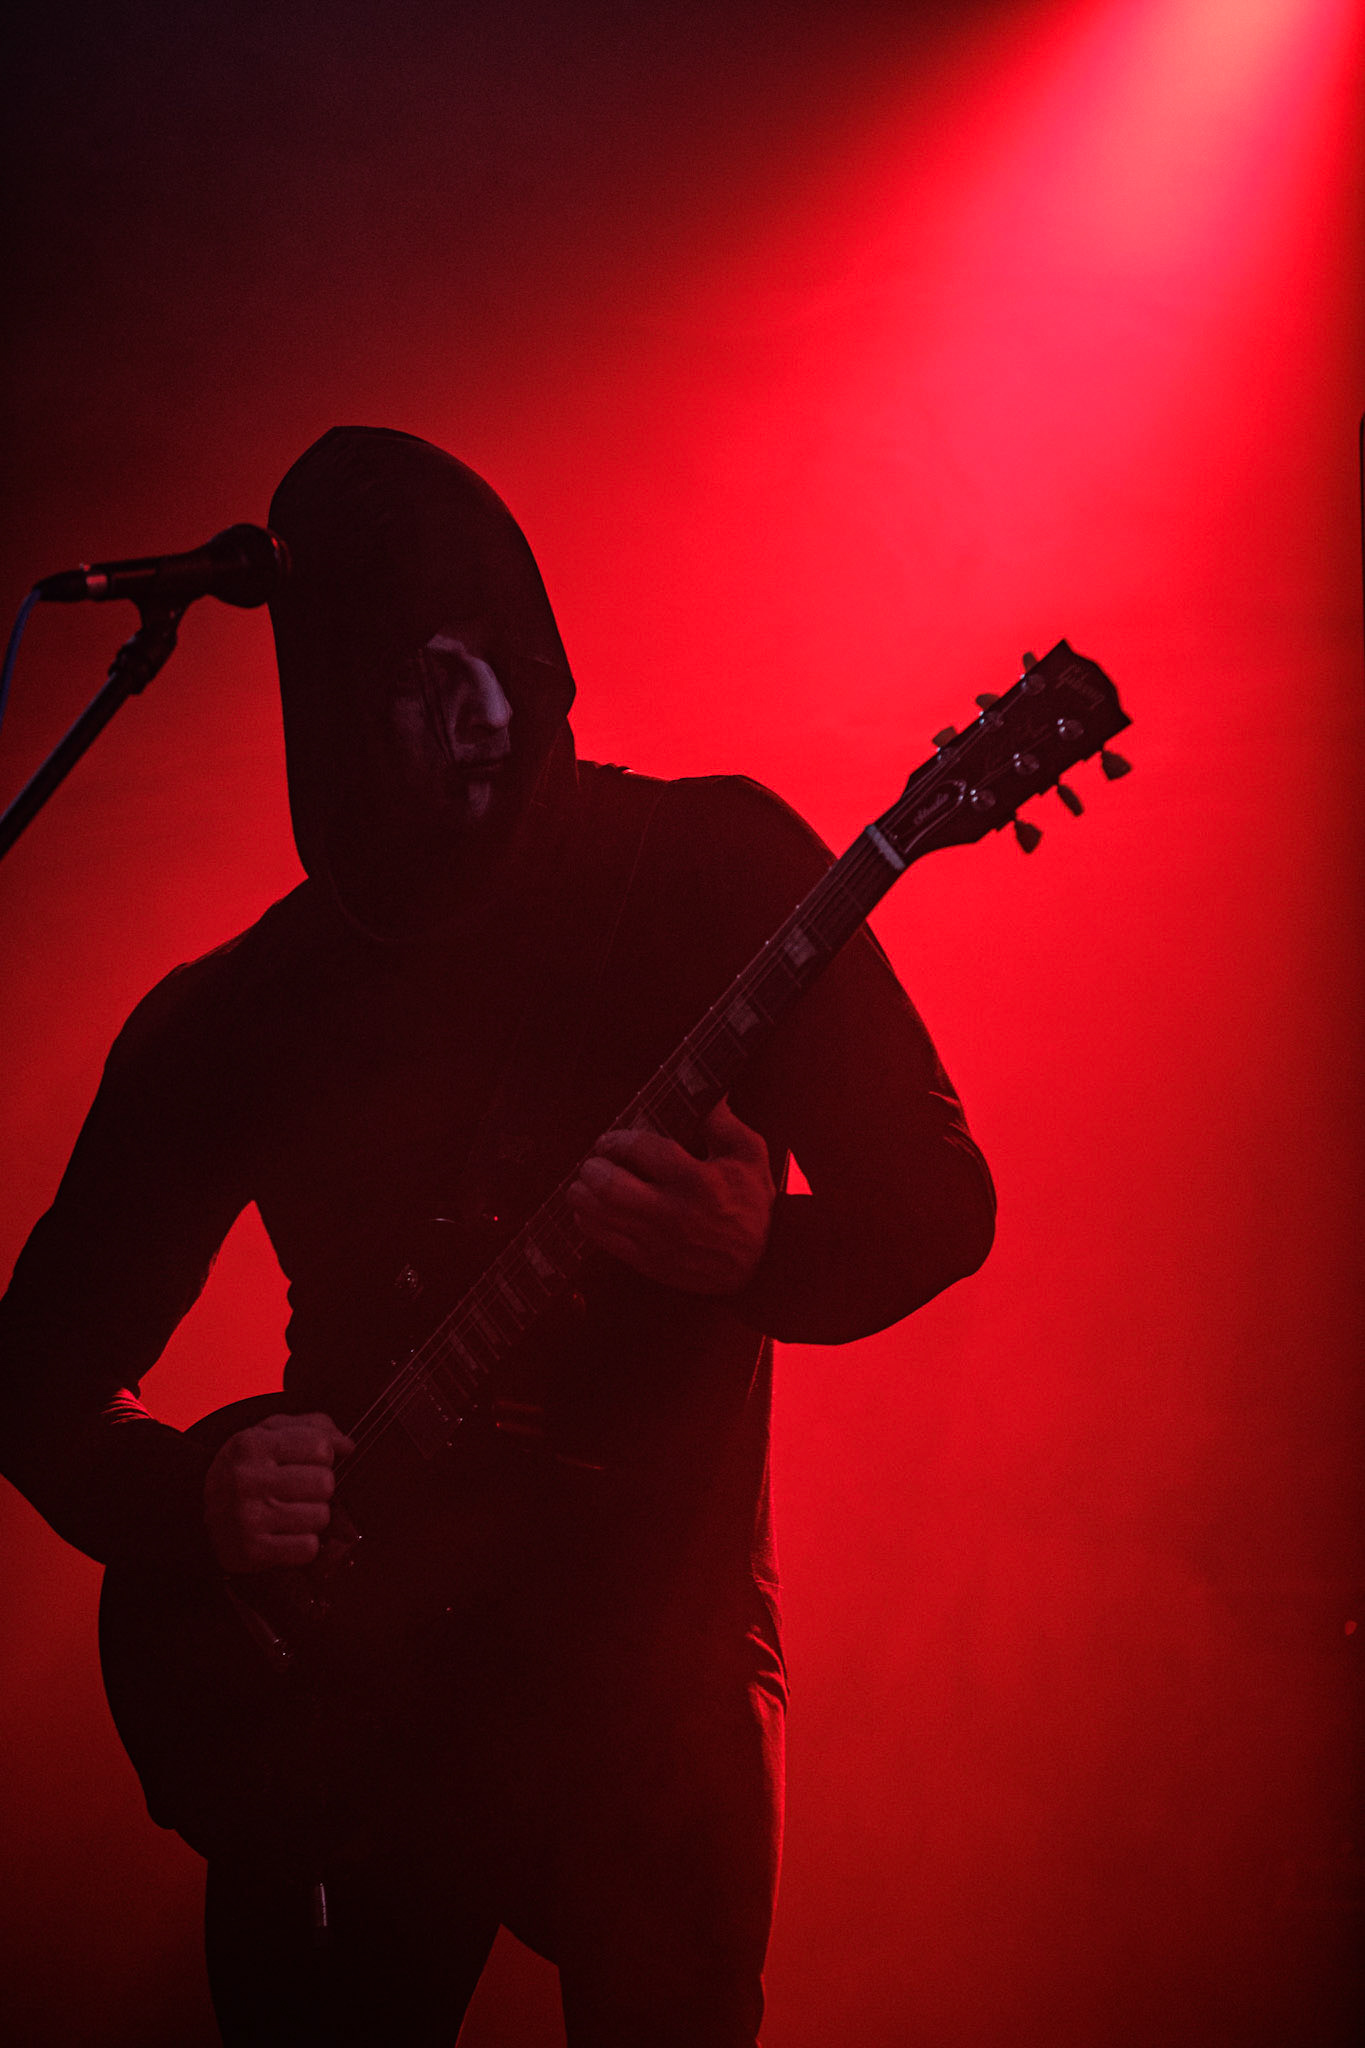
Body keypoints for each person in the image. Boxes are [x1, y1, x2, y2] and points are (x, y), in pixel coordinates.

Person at [0, 427, 995, 2045]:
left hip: (648, 1674)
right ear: (328, 711)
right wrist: (186, 1491)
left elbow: (942, 1209)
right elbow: (33, 1371)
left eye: (502, 660)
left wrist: (760, 1254)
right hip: (342, 1683)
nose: (483, 713)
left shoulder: (707, 867)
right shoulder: (243, 1009)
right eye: (419, 677)